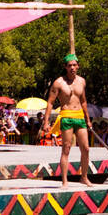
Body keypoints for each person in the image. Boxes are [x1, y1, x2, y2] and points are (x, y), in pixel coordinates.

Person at [43, 53, 91, 186]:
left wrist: (88, 119)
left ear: (78, 66)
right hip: (66, 116)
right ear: (65, 67)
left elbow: (84, 101)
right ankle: (65, 180)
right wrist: (46, 122)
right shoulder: (59, 83)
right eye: (70, 65)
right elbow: (50, 103)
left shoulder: (82, 81)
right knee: (66, 148)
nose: (72, 68)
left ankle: (84, 177)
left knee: (86, 148)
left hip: (79, 116)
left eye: (75, 65)